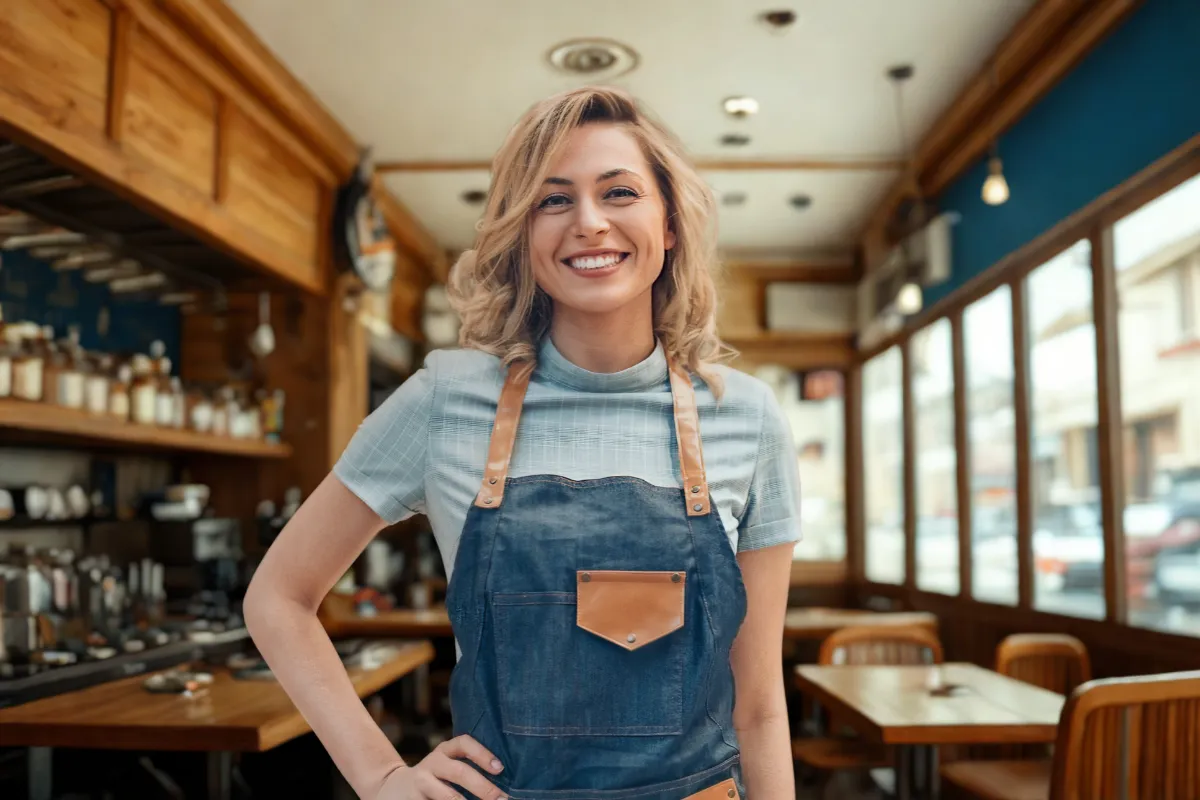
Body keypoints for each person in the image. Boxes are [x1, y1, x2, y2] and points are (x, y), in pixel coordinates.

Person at [244, 86, 800, 800]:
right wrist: (381, 775)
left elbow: (757, 707)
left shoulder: (747, 417)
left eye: (620, 192)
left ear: (668, 226)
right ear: (522, 231)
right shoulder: (446, 398)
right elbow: (278, 597)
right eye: (553, 199)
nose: (589, 223)